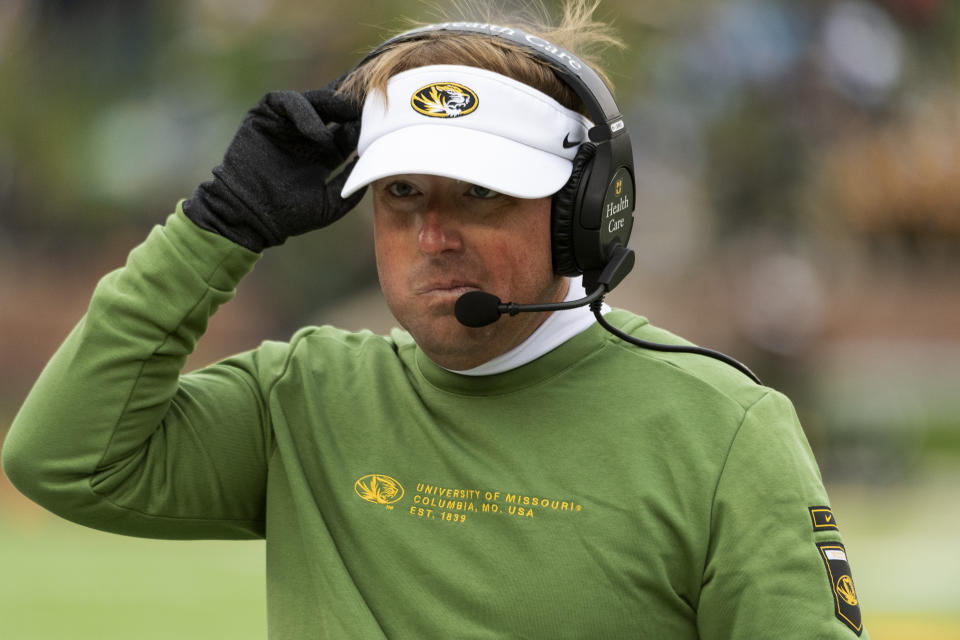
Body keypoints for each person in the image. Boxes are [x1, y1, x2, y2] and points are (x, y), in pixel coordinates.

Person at [2, 1, 868, 638]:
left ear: (583, 211)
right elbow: (64, 459)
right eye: (401, 194)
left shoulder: (725, 429)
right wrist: (217, 226)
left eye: (480, 194)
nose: (433, 236)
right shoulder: (302, 394)